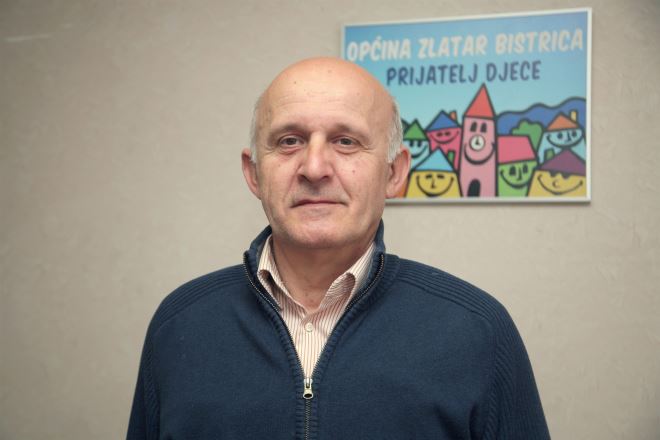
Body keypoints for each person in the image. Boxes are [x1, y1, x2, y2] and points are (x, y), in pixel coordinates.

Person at [127, 57, 550, 439]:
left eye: (346, 141)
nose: (314, 168)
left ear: (394, 173)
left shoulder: (476, 330)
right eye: (289, 141)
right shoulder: (178, 325)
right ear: (254, 173)